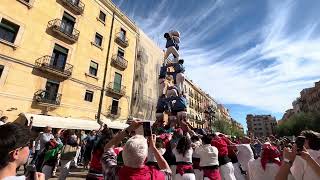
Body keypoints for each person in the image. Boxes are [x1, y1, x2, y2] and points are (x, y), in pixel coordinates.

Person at [101, 120, 172, 179]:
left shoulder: (112, 172)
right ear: (146, 159)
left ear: (123, 155)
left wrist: (129, 129)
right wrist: (153, 147)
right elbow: (168, 171)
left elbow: (108, 148)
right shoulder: (155, 176)